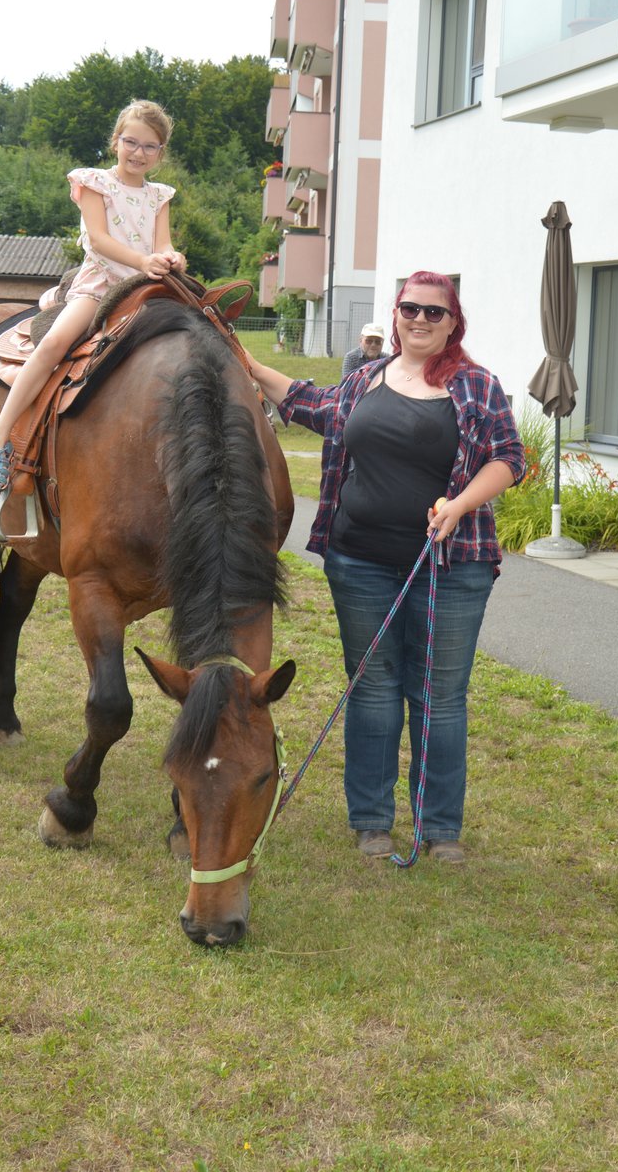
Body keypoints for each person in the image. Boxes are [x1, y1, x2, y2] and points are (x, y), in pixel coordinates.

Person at [246, 271, 524, 862]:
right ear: (395, 315)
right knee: (372, 690)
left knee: (440, 697)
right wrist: (244, 360)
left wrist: (460, 504)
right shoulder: (365, 380)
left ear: (454, 323)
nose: (420, 320)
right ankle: (371, 820)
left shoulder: (476, 386)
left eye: (434, 313)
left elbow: (507, 458)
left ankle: (440, 827)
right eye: (410, 309)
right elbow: (304, 401)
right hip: (360, 563)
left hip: (452, 565)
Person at [0, 100, 186, 493]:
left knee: (202, 327)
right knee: (55, 342)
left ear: (161, 153)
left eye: (150, 146)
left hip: (147, 287)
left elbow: (164, 242)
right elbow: (99, 239)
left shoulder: (160, 195)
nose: (138, 153)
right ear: (116, 142)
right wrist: (145, 260)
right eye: (131, 142)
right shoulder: (96, 183)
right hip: (102, 283)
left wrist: (172, 257)